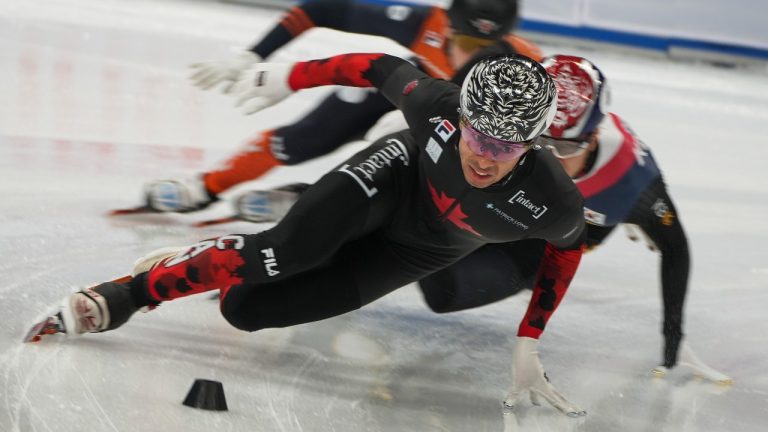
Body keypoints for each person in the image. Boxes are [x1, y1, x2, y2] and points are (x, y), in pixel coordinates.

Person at [52, 53, 588, 416]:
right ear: (462, 116)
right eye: (476, 135)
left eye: (505, 147)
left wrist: (528, 339)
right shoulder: (438, 108)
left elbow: (567, 253)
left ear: (536, 144)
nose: (483, 157)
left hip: (417, 253)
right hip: (396, 175)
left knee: (246, 310)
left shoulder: (555, 202)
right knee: (283, 252)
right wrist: (291, 76)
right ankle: (127, 293)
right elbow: (380, 67)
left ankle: (207, 262)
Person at [233, 55, 732, 383]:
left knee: (444, 291)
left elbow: (677, 246)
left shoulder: (631, 179)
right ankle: (309, 217)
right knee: (402, 186)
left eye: (560, 148)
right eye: (536, 141)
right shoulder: (516, 117)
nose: (544, 159)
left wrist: (674, 339)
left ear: (595, 137)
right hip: (462, 198)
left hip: (522, 242)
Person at [136, 0, 543, 213]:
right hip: (408, 89)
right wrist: (253, 55)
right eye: (465, 42)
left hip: (453, 127)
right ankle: (207, 186)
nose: (468, 56)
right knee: (301, 138)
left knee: (393, 163)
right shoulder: (426, 23)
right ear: (447, 25)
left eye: (484, 49)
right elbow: (321, 8)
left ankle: (317, 202)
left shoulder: (525, 69)